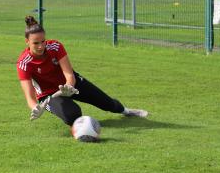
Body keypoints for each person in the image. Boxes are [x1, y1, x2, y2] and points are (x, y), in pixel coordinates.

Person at [16, 15, 148, 128]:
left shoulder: (55, 47)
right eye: (35, 43)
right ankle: (82, 129)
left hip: (71, 85)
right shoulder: (24, 63)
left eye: (43, 41)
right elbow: (30, 97)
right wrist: (35, 108)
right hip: (49, 96)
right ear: (27, 42)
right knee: (72, 114)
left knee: (107, 102)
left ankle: (126, 111)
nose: (41, 46)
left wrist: (68, 86)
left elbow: (69, 74)